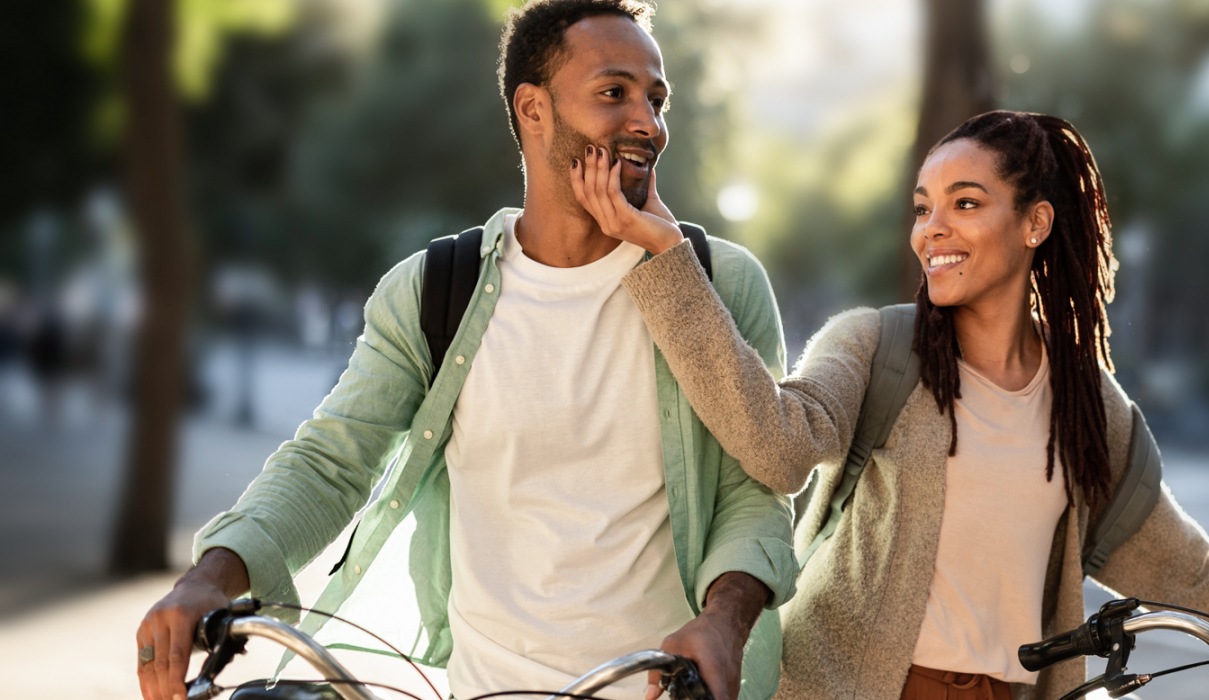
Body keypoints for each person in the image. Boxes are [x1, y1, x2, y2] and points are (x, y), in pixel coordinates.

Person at [577, 110, 1209, 700]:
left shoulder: (1089, 412)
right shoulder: (875, 348)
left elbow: (1198, 581)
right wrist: (664, 253)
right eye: (924, 207)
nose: (933, 230)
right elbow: (774, 446)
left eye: (966, 203)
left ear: (1034, 225)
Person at [133, 3, 796, 700]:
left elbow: (752, 492)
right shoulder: (433, 291)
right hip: (483, 688)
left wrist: (726, 619)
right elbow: (331, 461)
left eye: (656, 99)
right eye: (614, 93)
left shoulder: (717, 282)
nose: (647, 122)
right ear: (533, 109)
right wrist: (207, 578)